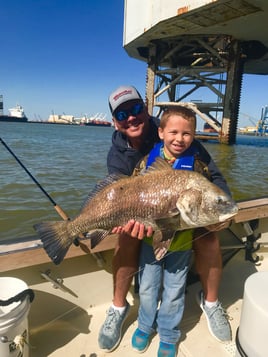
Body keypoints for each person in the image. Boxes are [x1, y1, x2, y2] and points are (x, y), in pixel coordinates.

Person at [98, 85, 231, 352]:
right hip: (143, 220)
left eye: (136, 109)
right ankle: (118, 307)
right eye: (122, 114)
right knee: (127, 238)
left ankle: (211, 302)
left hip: (181, 219)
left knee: (210, 236)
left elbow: (212, 176)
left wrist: (221, 209)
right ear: (115, 122)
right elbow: (115, 194)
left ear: (146, 109)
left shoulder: (178, 128)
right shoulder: (118, 155)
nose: (131, 118)